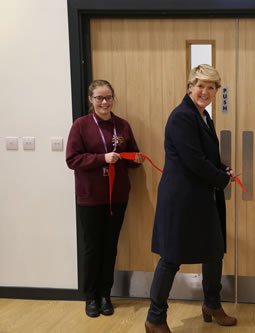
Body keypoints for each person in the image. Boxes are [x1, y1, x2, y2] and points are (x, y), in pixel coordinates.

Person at [145, 64, 236, 333]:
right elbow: (193, 161)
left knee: (214, 251)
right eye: (200, 86)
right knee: (171, 257)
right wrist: (221, 179)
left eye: (211, 87)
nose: (205, 92)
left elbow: (205, 158)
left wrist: (221, 170)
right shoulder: (182, 117)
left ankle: (212, 304)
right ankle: (155, 318)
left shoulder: (203, 116)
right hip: (181, 199)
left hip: (202, 197)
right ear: (189, 87)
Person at [66, 80, 145, 318]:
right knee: (93, 248)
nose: (104, 102)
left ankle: (105, 295)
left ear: (113, 99)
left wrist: (135, 159)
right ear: (91, 100)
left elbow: (130, 155)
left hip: (117, 196)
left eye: (108, 97)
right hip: (91, 198)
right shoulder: (80, 126)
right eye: (99, 98)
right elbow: (73, 160)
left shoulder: (122, 125)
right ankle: (90, 297)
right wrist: (102, 158)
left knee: (110, 247)